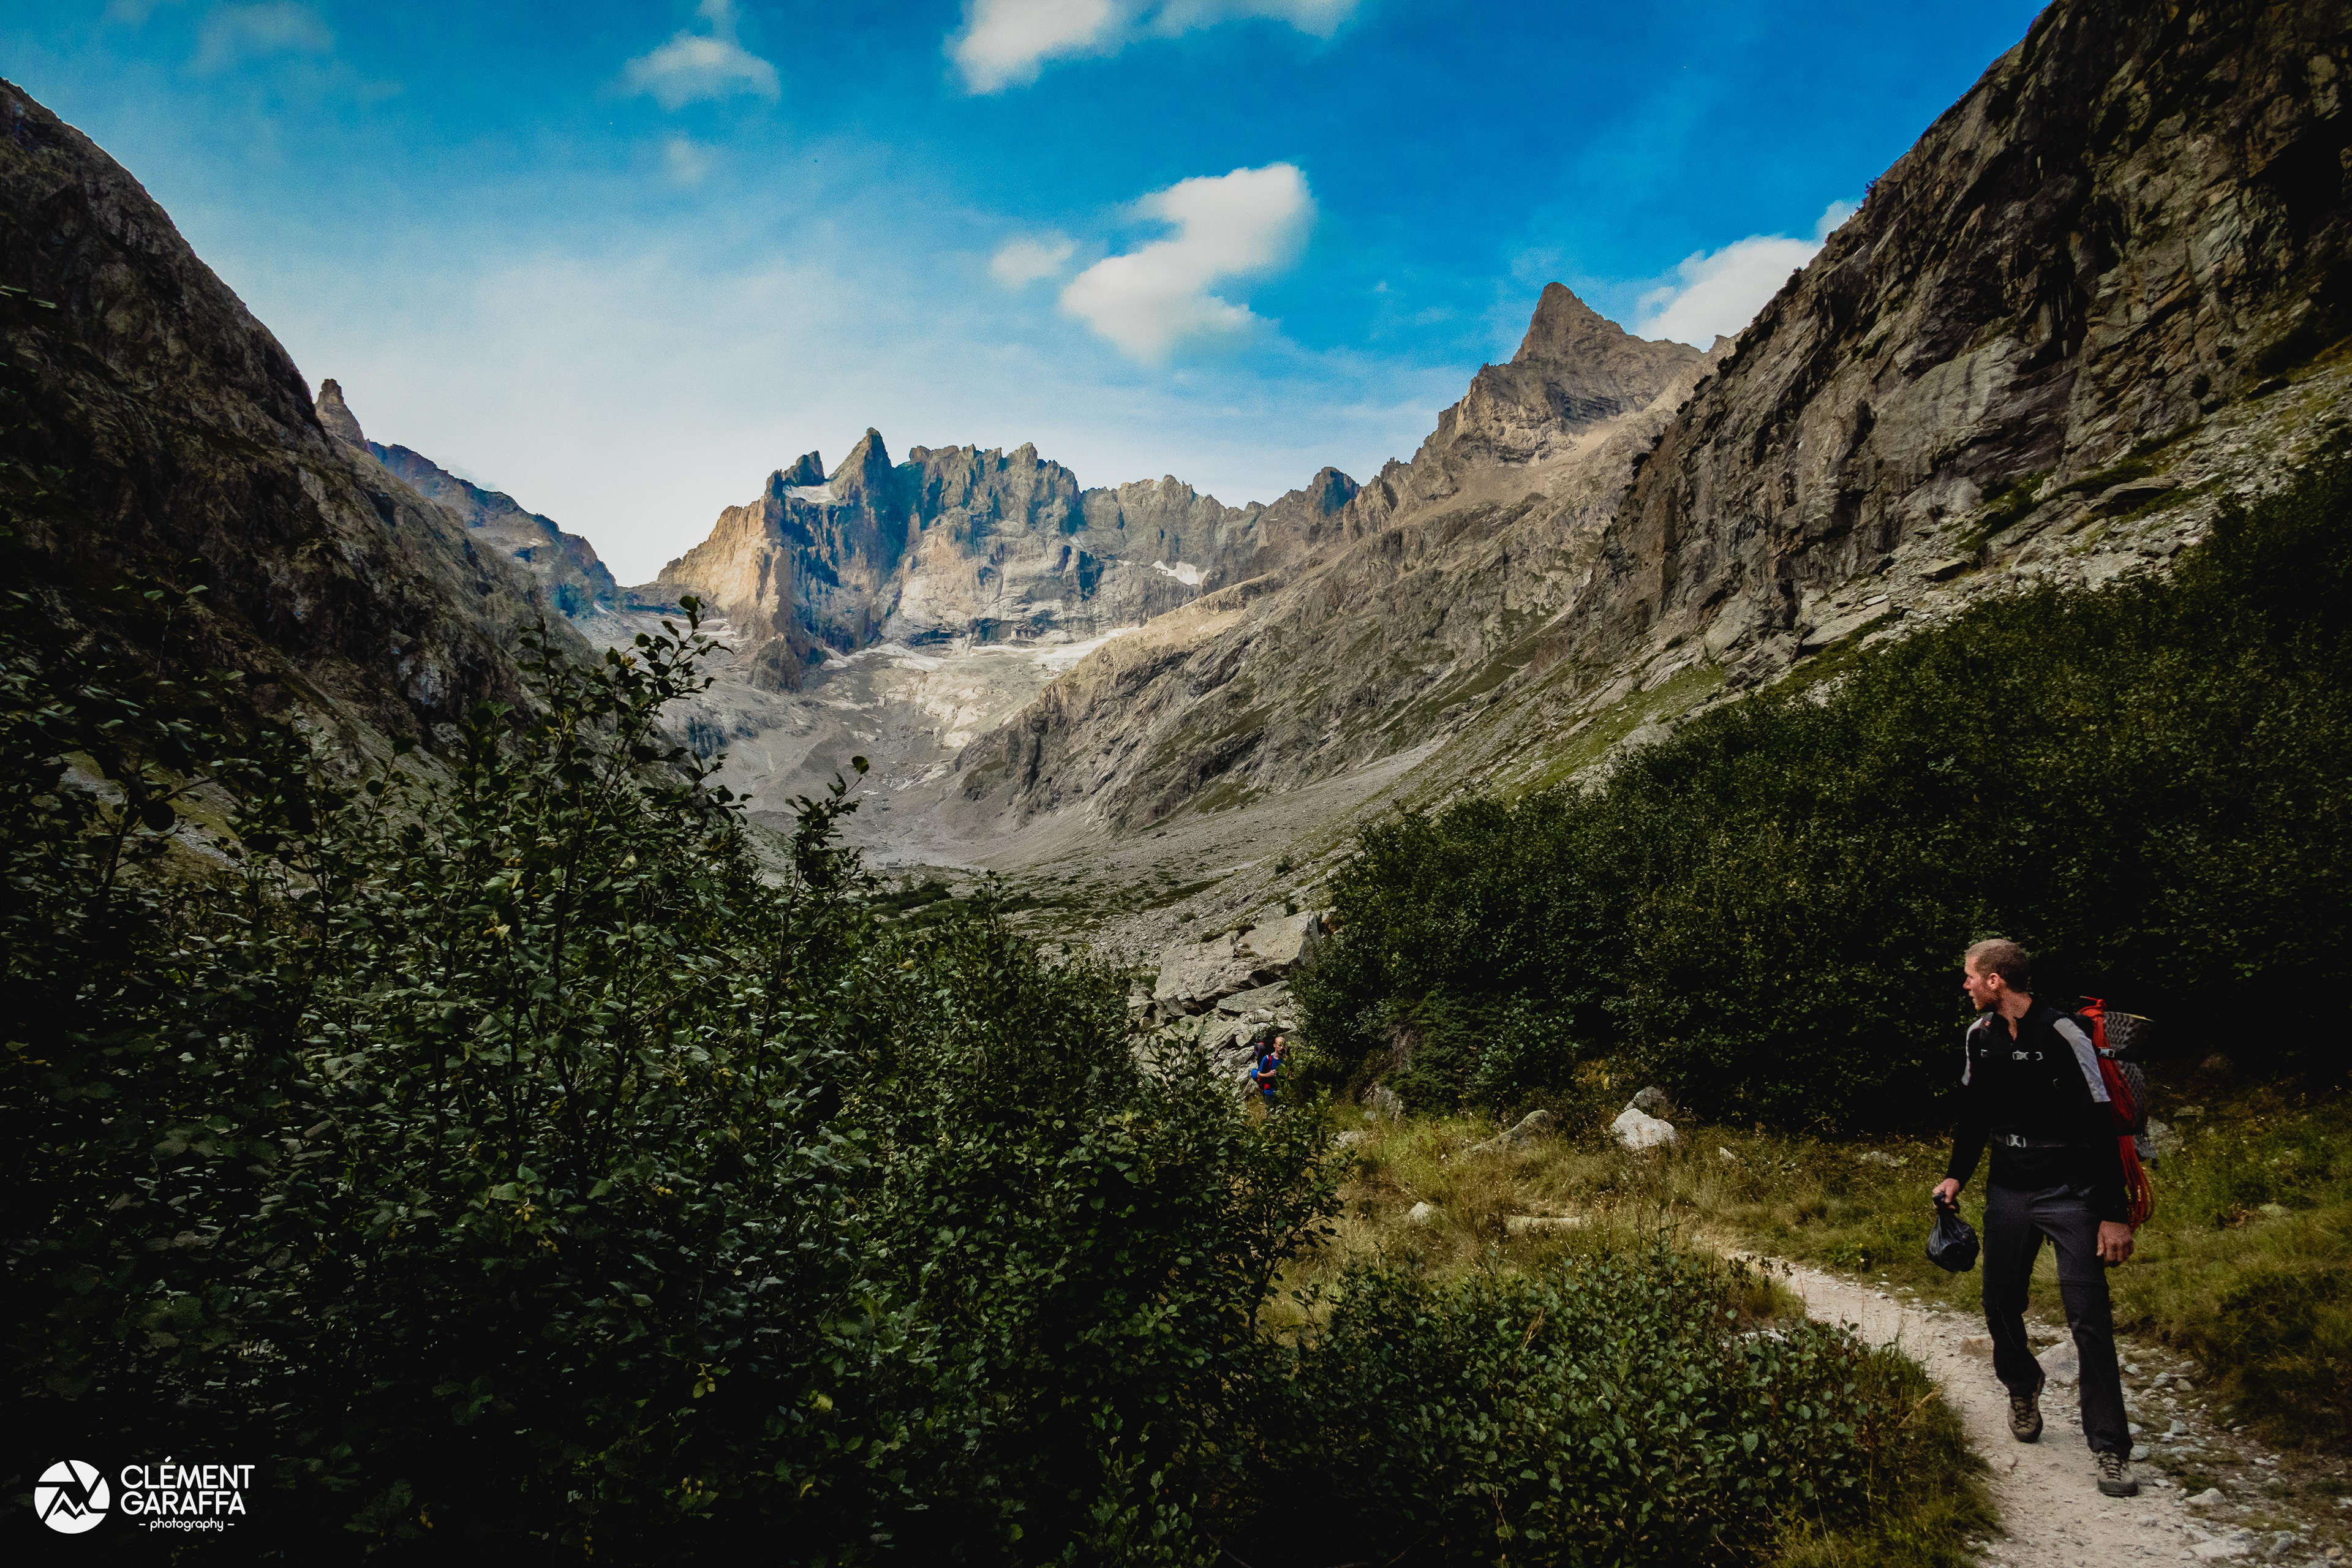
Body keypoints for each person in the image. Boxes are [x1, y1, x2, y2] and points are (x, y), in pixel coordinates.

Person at [1934, 938, 2140, 1498]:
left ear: (1997, 980)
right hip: (2008, 1189)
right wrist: (1957, 1176)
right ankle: (2022, 1387)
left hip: (2071, 1192)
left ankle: (2111, 1449)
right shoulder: (1980, 1038)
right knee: (1999, 1301)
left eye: (1971, 976)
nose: (1966, 986)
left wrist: (2113, 1215)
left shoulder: (2063, 1032)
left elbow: (2103, 1120)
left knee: (2089, 1318)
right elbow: (1973, 1113)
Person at [1250, 1035, 1284, 1107]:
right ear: (1275, 1045)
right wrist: (1269, 1074)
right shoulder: (1267, 1059)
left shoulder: (1284, 1061)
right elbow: (1259, 1075)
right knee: (1271, 1116)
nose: (1282, 1048)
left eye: (1283, 1046)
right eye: (1280, 1045)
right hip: (1269, 1092)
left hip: (1281, 1093)